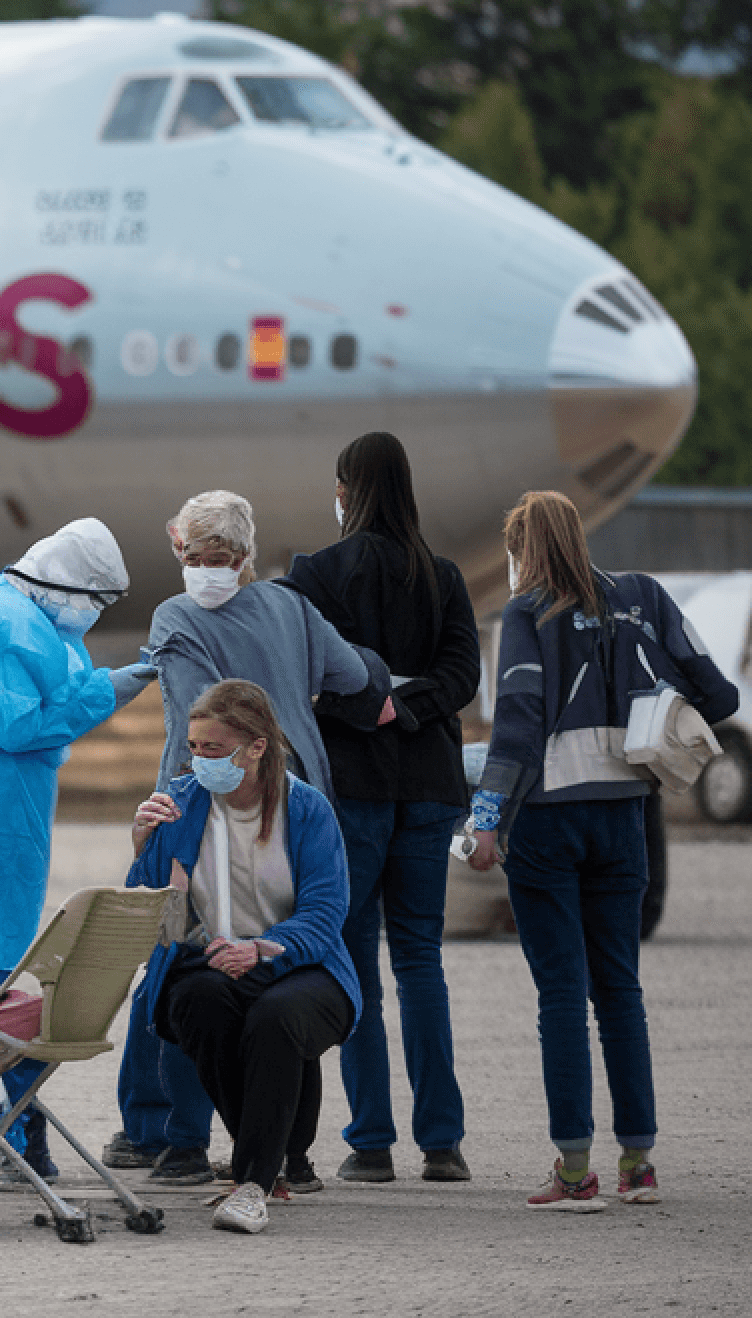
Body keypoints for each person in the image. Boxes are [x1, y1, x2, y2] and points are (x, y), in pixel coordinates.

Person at [463, 491, 738, 1211]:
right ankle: (639, 1166)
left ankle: (575, 1168)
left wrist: (486, 818)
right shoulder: (644, 596)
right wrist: (654, 712)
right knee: (621, 990)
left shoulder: (525, 614)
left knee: (562, 995)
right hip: (628, 818)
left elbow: (519, 723)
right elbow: (721, 692)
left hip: (549, 824)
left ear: (522, 547)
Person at [113, 488, 387, 1189]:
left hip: (204, 809)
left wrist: (173, 801)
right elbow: (354, 676)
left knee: (179, 961)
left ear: (242, 558)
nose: (207, 570)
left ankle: (172, 1138)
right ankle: (297, 1150)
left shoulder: (176, 615)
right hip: (302, 798)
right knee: (291, 971)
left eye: (219, 558)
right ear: (180, 548)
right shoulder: (293, 607)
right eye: (196, 557)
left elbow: (195, 720)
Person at [0, 518, 157, 1178]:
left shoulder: (21, 610)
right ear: (62, 581)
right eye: (95, 599)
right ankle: (10, 1136)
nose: (93, 615)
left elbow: (44, 699)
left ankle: (12, 1133)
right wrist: (110, 689)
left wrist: (107, 684)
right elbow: (18, 722)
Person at [282, 433, 481, 1184]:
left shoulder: (316, 573)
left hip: (353, 787)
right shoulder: (445, 576)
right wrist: (409, 702)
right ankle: (443, 1142)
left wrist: (371, 706)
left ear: (347, 489)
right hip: (431, 785)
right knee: (422, 961)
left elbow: (304, 672)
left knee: (353, 955)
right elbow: (463, 671)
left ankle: (370, 1141)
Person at [130, 680, 362, 1235]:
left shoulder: (306, 809)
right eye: (194, 747)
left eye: (214, 748)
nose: (199, 760)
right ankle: (278, 1160)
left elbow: (328, 913)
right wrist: (142, 844)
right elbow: (148, 914)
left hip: (305, 966)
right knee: (193, 1000)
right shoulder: (181, 804)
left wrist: (260, 948)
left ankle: (253, 1182)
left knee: (276, 1017)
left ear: (257, 747)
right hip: (214, 965)